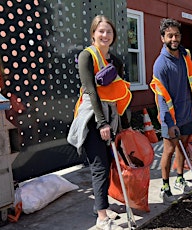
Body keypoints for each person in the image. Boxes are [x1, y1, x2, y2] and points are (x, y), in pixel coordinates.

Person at [67, 15, 132, 230]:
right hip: (91, 119)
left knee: (108, 164)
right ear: (93, 33)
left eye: (109, 32)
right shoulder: (87, 57)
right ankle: (102, 218)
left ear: (113, 36)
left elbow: (119, 95)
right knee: (99, 167)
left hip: (110, 119)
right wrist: (102, 123)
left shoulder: (116, 62)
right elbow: (91, 91)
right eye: (101, 31)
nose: (105, 35)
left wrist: (122, 126)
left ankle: (101, 206)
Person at [150, 18, 192, 204]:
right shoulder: (160, 64)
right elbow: (161, 97)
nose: (174, 38)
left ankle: (180, 178)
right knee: (169, 150)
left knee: (183, 148)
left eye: (177, 35)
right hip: (170, 117)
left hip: (187, 112)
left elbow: (190, 81)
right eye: (170, 35)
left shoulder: (184, 56)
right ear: (162, 37)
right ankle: (165, 185)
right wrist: (169, 123)